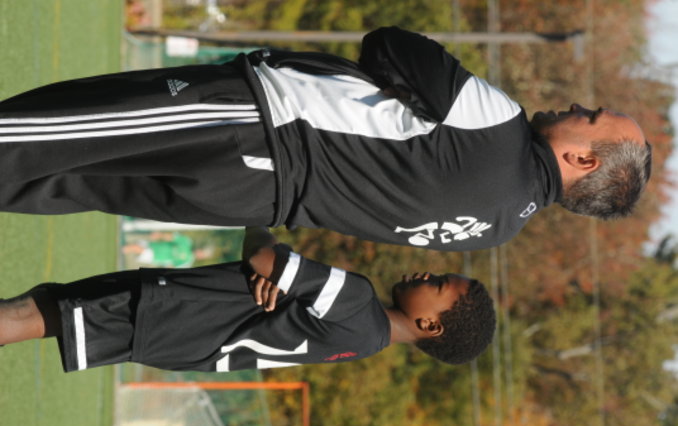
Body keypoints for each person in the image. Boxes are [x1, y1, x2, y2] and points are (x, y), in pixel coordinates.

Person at [0, 27, 651, 251]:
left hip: (244, 124)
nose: (577, 105)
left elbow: (389, 45)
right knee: (57, 183)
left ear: (582, 158)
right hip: (246, 199)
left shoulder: (499, 124)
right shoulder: (497, 229)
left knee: (43, 134)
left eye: (591, 113)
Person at [0, 228, 496, 372]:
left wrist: (263, 225)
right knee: (44, 305)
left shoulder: (356, 300)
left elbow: (262, 256)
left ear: (430, 326)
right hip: (180, 337)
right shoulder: (365, 342)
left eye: (438, 283)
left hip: (173, 312)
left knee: (27, 315)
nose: (427, 272)